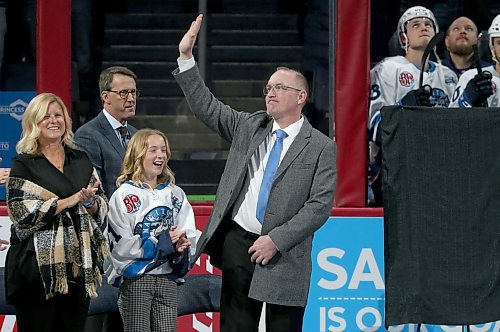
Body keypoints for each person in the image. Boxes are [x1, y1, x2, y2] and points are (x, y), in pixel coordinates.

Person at [173, 15, 337, 332]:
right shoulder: (251, 126)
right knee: (235, 326)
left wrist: (276, 240)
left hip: (285, 253)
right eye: (268, 87)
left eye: (279, 87)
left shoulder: (321, 146)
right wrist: (186, 58)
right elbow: (207, 107)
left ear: (300, 97)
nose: (270, 92)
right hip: (238, 245)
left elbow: (319, 207)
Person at [5, 92, 109, 332]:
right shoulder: (24, 163)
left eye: (58, 115)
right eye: (46, 117)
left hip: (78, 266)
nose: (53, 121)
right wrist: (69, 200)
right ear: (34, 123)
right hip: (35, 270)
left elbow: (101, 205)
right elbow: (22, 213)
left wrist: (88, 202)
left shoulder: (80, 159)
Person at [105, 129, 196, 332]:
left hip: (168, 280)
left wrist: (181, 245)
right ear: (138, 154)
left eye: (163, 150)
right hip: (137, 281)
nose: (160, 155)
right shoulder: (123, 195)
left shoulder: (176, 194)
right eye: (153, 150)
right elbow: (120, 246)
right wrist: (162, 243)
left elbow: (189, 232)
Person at [368, 6, 458, 206]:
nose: (423, 27)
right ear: (403, 39)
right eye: (415, 25)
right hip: (400, 169)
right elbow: (374, 127)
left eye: (428, 24)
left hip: (439, 167)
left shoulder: (449, 77)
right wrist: (402, 109)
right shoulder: (387, 69)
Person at [74, 66, 139, 199]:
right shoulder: (87, 135)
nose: (131, 99)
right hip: (109, 215)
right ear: (105, 97)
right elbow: (92, 187)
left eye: (133, 92)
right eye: (124, 93)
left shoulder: (136, 134)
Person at [449, 14, 499, 108]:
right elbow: (451, 120)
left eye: (468, 28)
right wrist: (466, 99)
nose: (463, 31)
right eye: (499, 43)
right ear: (492, 47)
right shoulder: (470, 77)